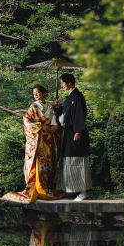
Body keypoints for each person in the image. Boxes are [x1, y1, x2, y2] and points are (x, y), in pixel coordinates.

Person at [2, 85, 65, 203]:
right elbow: (27, 121)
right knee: (38, 162)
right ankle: (36, 188)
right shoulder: (33, 107)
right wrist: (41, 127)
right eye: (34, 93)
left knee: (49, 162)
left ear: (44, 93)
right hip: (39, 139)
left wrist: (55, 126)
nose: (35, 95)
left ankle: (47, 186)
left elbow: (55, 118)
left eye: (38, 92)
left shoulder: (51, 106)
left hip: (50, 138)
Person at [54, 73, 91, 201]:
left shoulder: (78, 96)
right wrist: (60, 108)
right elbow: (67, 114)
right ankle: (71, 189)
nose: (62, 85)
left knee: (77, 161)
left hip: (75, 133)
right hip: (68, 134)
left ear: (69, 82)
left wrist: (79, 130)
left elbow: (80, 114)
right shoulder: (70, 96)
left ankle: (83, 191)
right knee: (68, 161)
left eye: (63, 82)